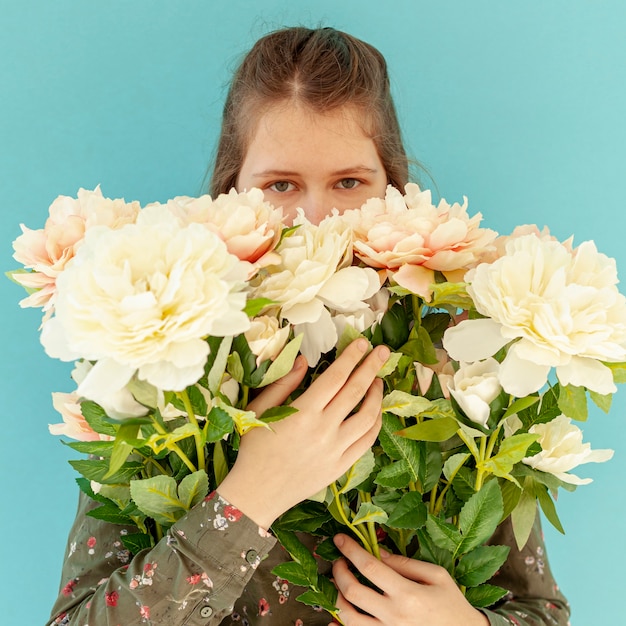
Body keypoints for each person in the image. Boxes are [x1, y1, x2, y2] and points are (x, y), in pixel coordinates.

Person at [48, 27, 570, 626]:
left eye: (349, 183)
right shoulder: (159, 383)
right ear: (229, 195)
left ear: (393, 190)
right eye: (280, 185)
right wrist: (250, 498)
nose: (317, 220)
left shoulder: (460, 374)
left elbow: (539, 612)